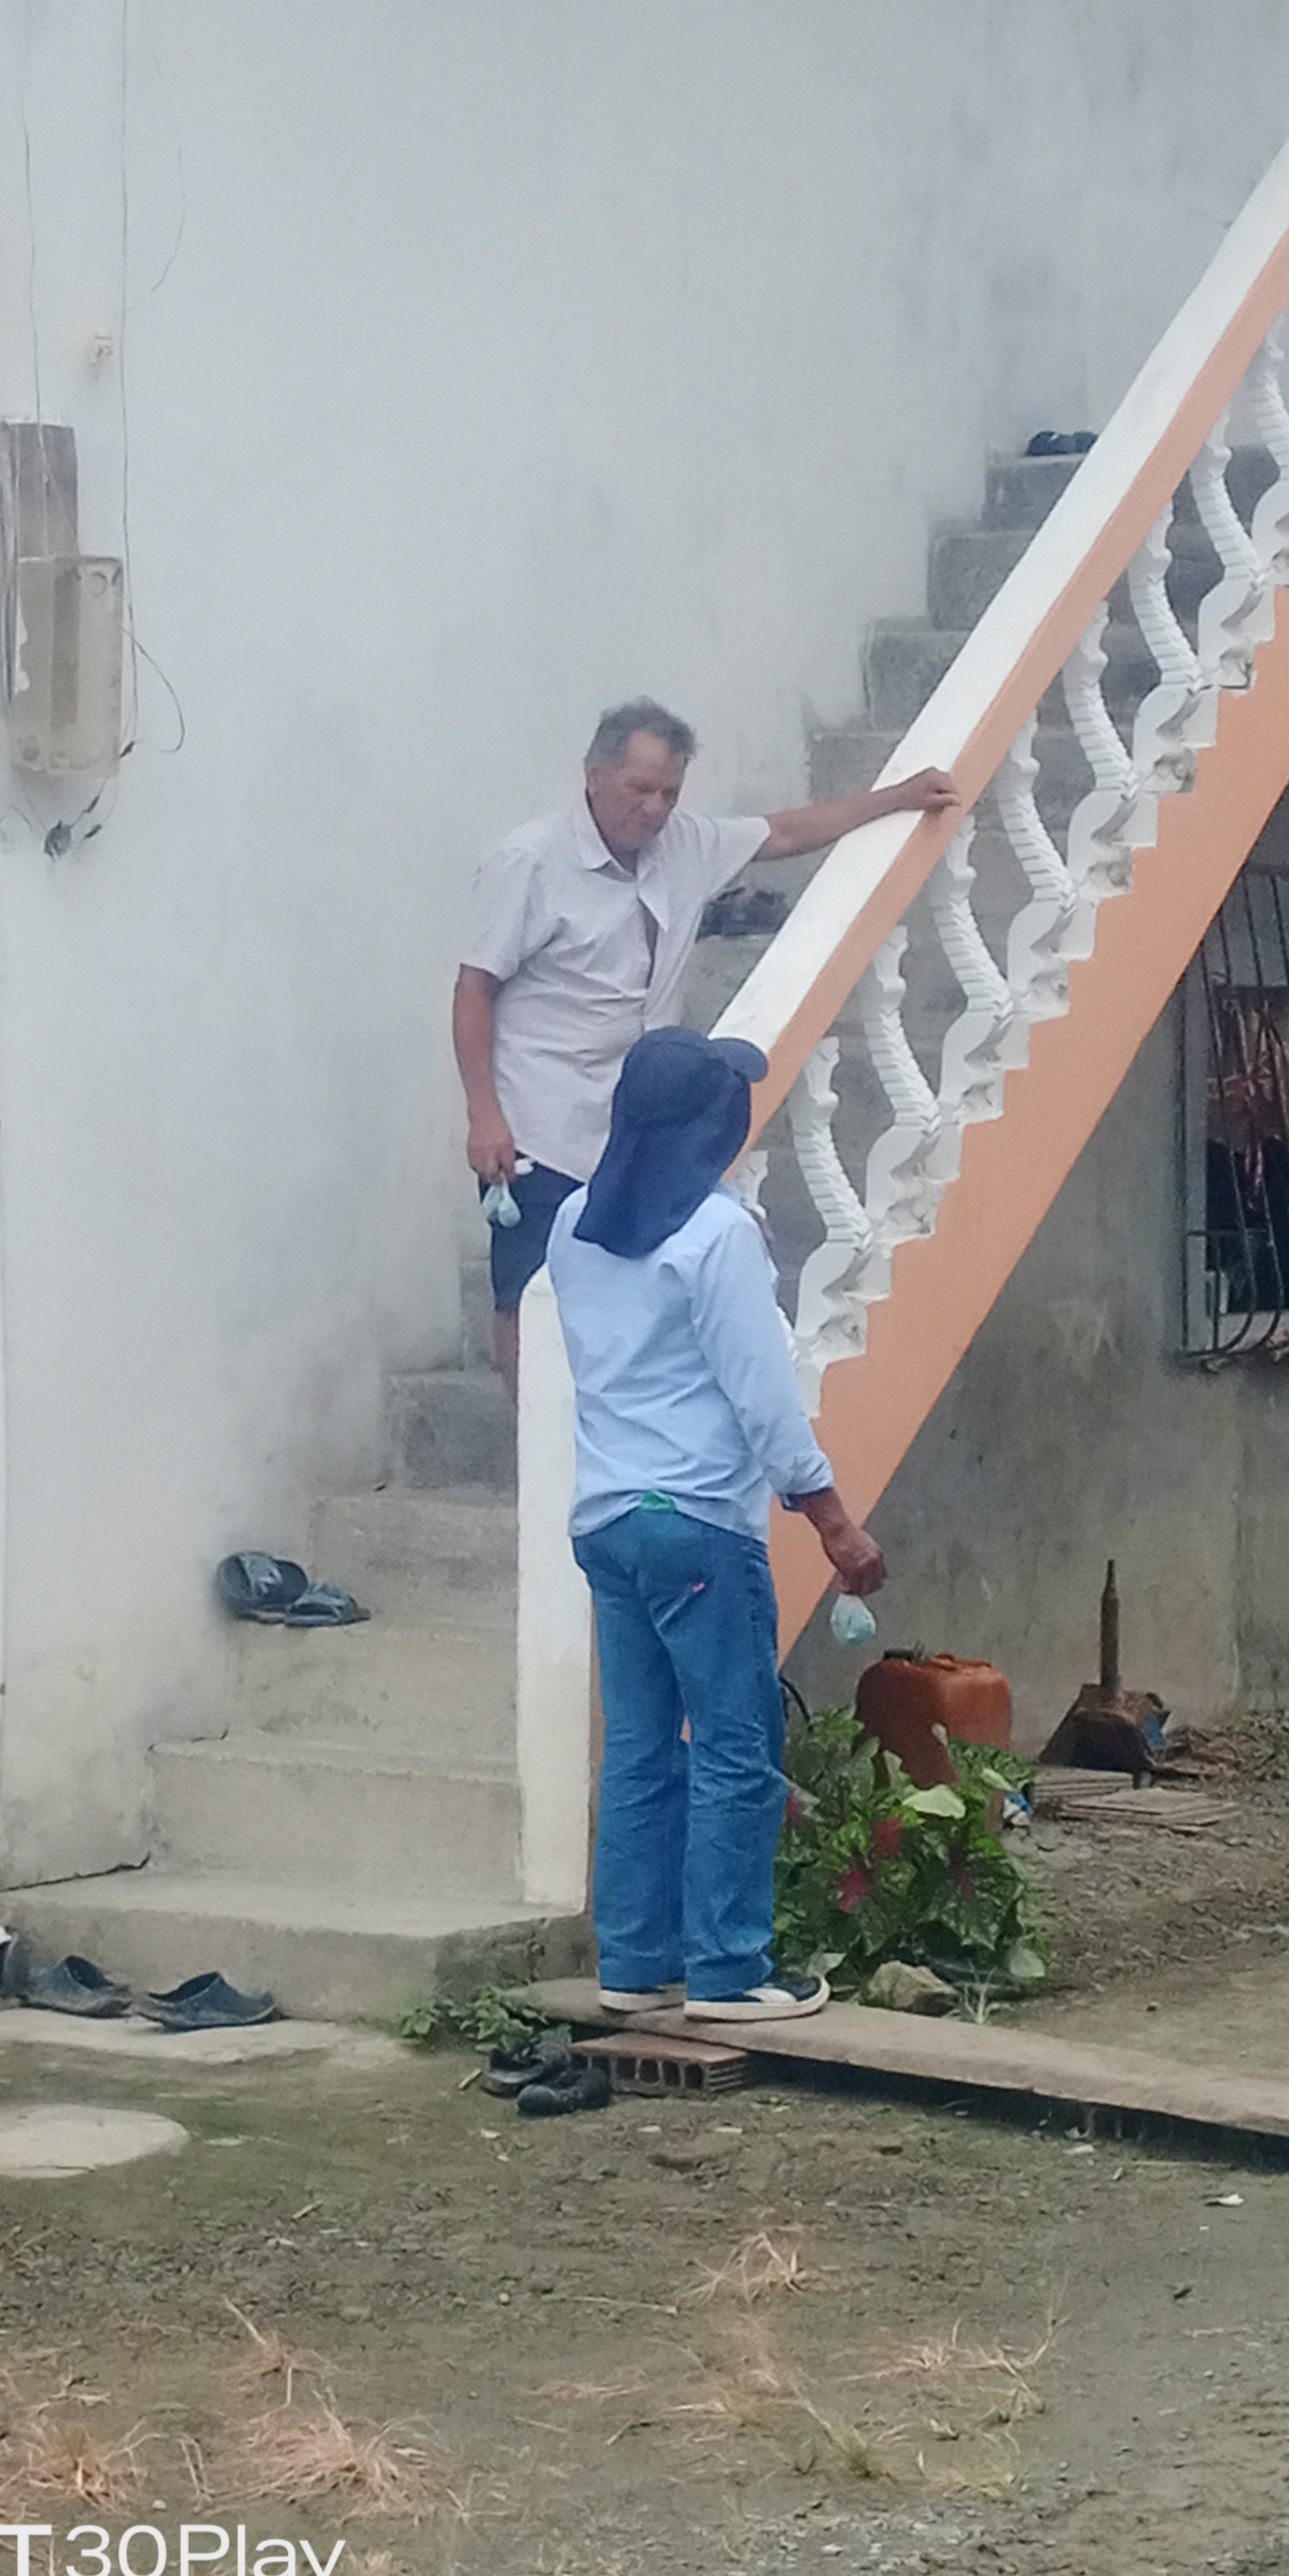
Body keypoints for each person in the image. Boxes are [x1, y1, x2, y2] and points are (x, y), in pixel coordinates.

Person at [454, 700, 960, 1387]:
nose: (655, 809)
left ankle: (610, 1428)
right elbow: (475, 990)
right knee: (528, 1291)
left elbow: (784, 832)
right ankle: (534, 1431)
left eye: (669, 792)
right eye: (640, 789)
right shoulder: (530, 862)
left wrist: (896, 798)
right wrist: (484, 1114)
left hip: (638, 1123)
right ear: (594, 775)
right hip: (539, 1122)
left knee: (635, 1288)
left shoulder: (686, 844)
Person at [546, 1027, 888, 2023]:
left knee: (641, 1748)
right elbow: (763, 1398)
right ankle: (731, 1971)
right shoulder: (718, 1235)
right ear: (709, 1128)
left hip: (609, 1522)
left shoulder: (572, 1223)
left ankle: (634, 1962)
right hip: (696, 1524)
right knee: (738, 1745)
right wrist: (833, 1521)